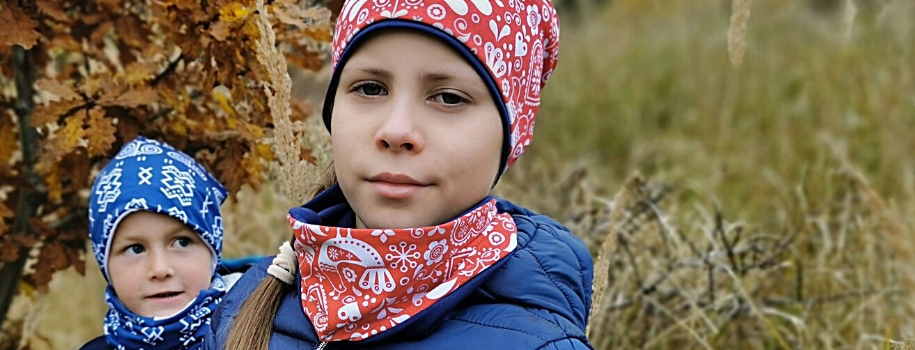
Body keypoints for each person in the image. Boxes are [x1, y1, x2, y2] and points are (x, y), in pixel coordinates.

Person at [208, 0, 594, 349]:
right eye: (371, 88)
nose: (396, 131)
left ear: (511, 135)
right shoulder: (245, 302)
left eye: (448, 97)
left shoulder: (537, 343)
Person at [83, 136, 245, 350]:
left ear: (212, 249)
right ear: (106, 265)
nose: (160, 269)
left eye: (182, 242)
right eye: (136, 249)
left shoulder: (260, 335)